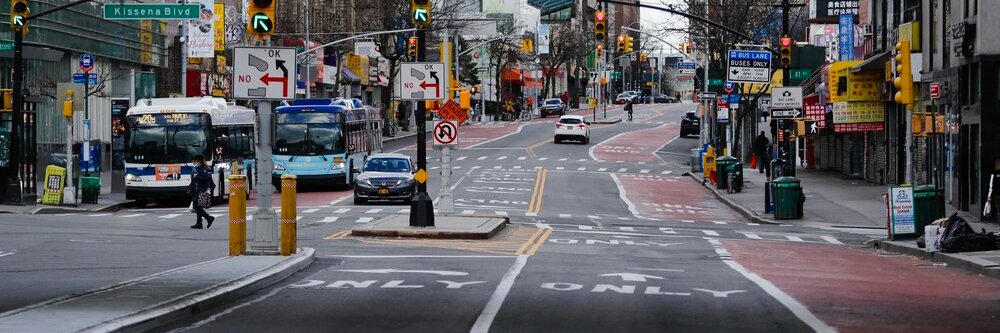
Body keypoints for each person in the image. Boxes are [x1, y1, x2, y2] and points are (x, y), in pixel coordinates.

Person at [187, 155, 215, 229]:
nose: (194, 163)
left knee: (197, 206)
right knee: (197, 206)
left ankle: (208, 218)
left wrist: (197, 176)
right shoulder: (197, 168)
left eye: (195, 161)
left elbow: (206, 178)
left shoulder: (203, 168)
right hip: (196, 188)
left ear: (199, 161)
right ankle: (199, 223)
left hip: (201, 189)